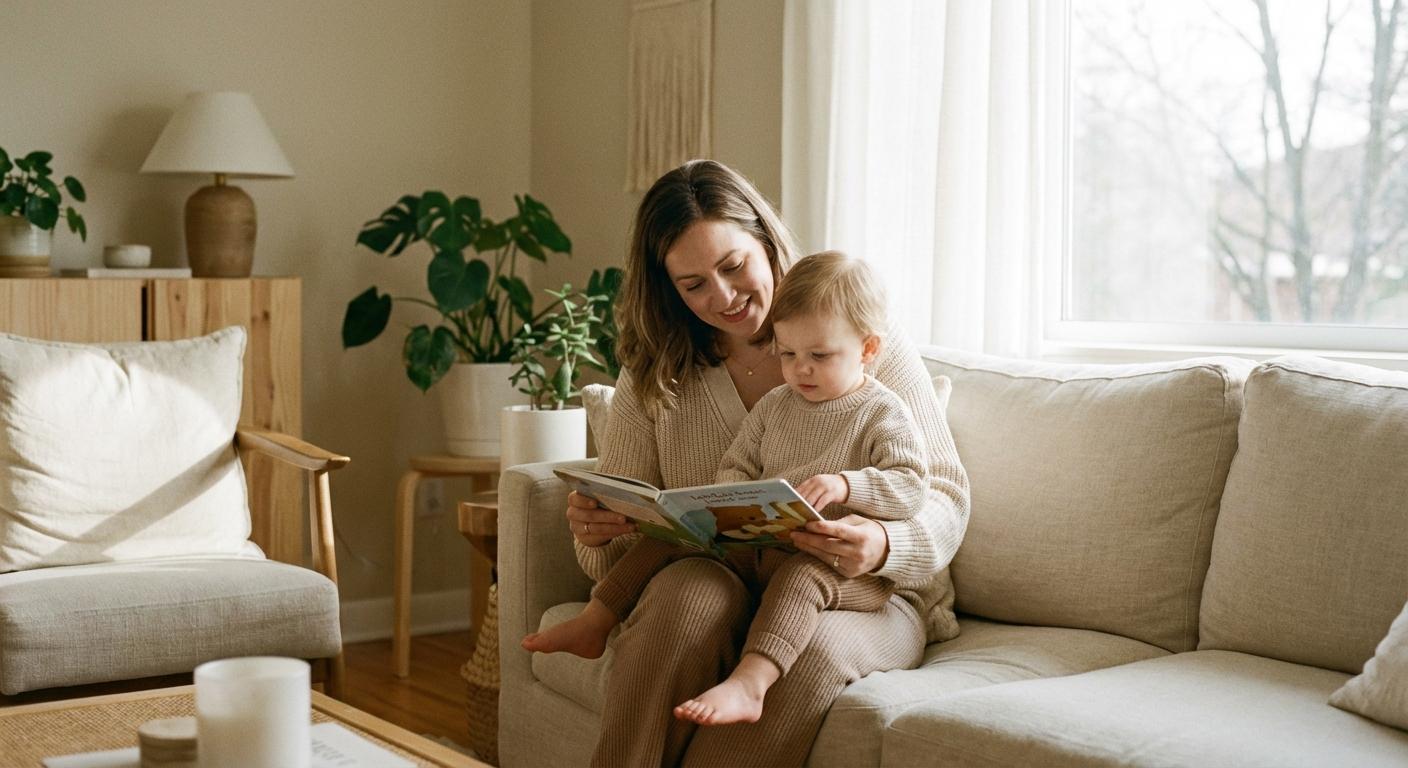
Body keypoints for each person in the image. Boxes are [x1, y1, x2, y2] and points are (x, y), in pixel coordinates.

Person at [525, 159, 970, 767]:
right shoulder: (658, 370)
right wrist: (599, 530)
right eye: (694, 285)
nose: (724, 296)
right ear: (669, 290)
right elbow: (634, 535)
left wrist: (884, 545)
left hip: (856, 587)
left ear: (766, 241)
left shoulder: (851, 331)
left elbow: (943, 492)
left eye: (733, 266)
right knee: (681, 603)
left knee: (809, 650)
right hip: (729, 566)